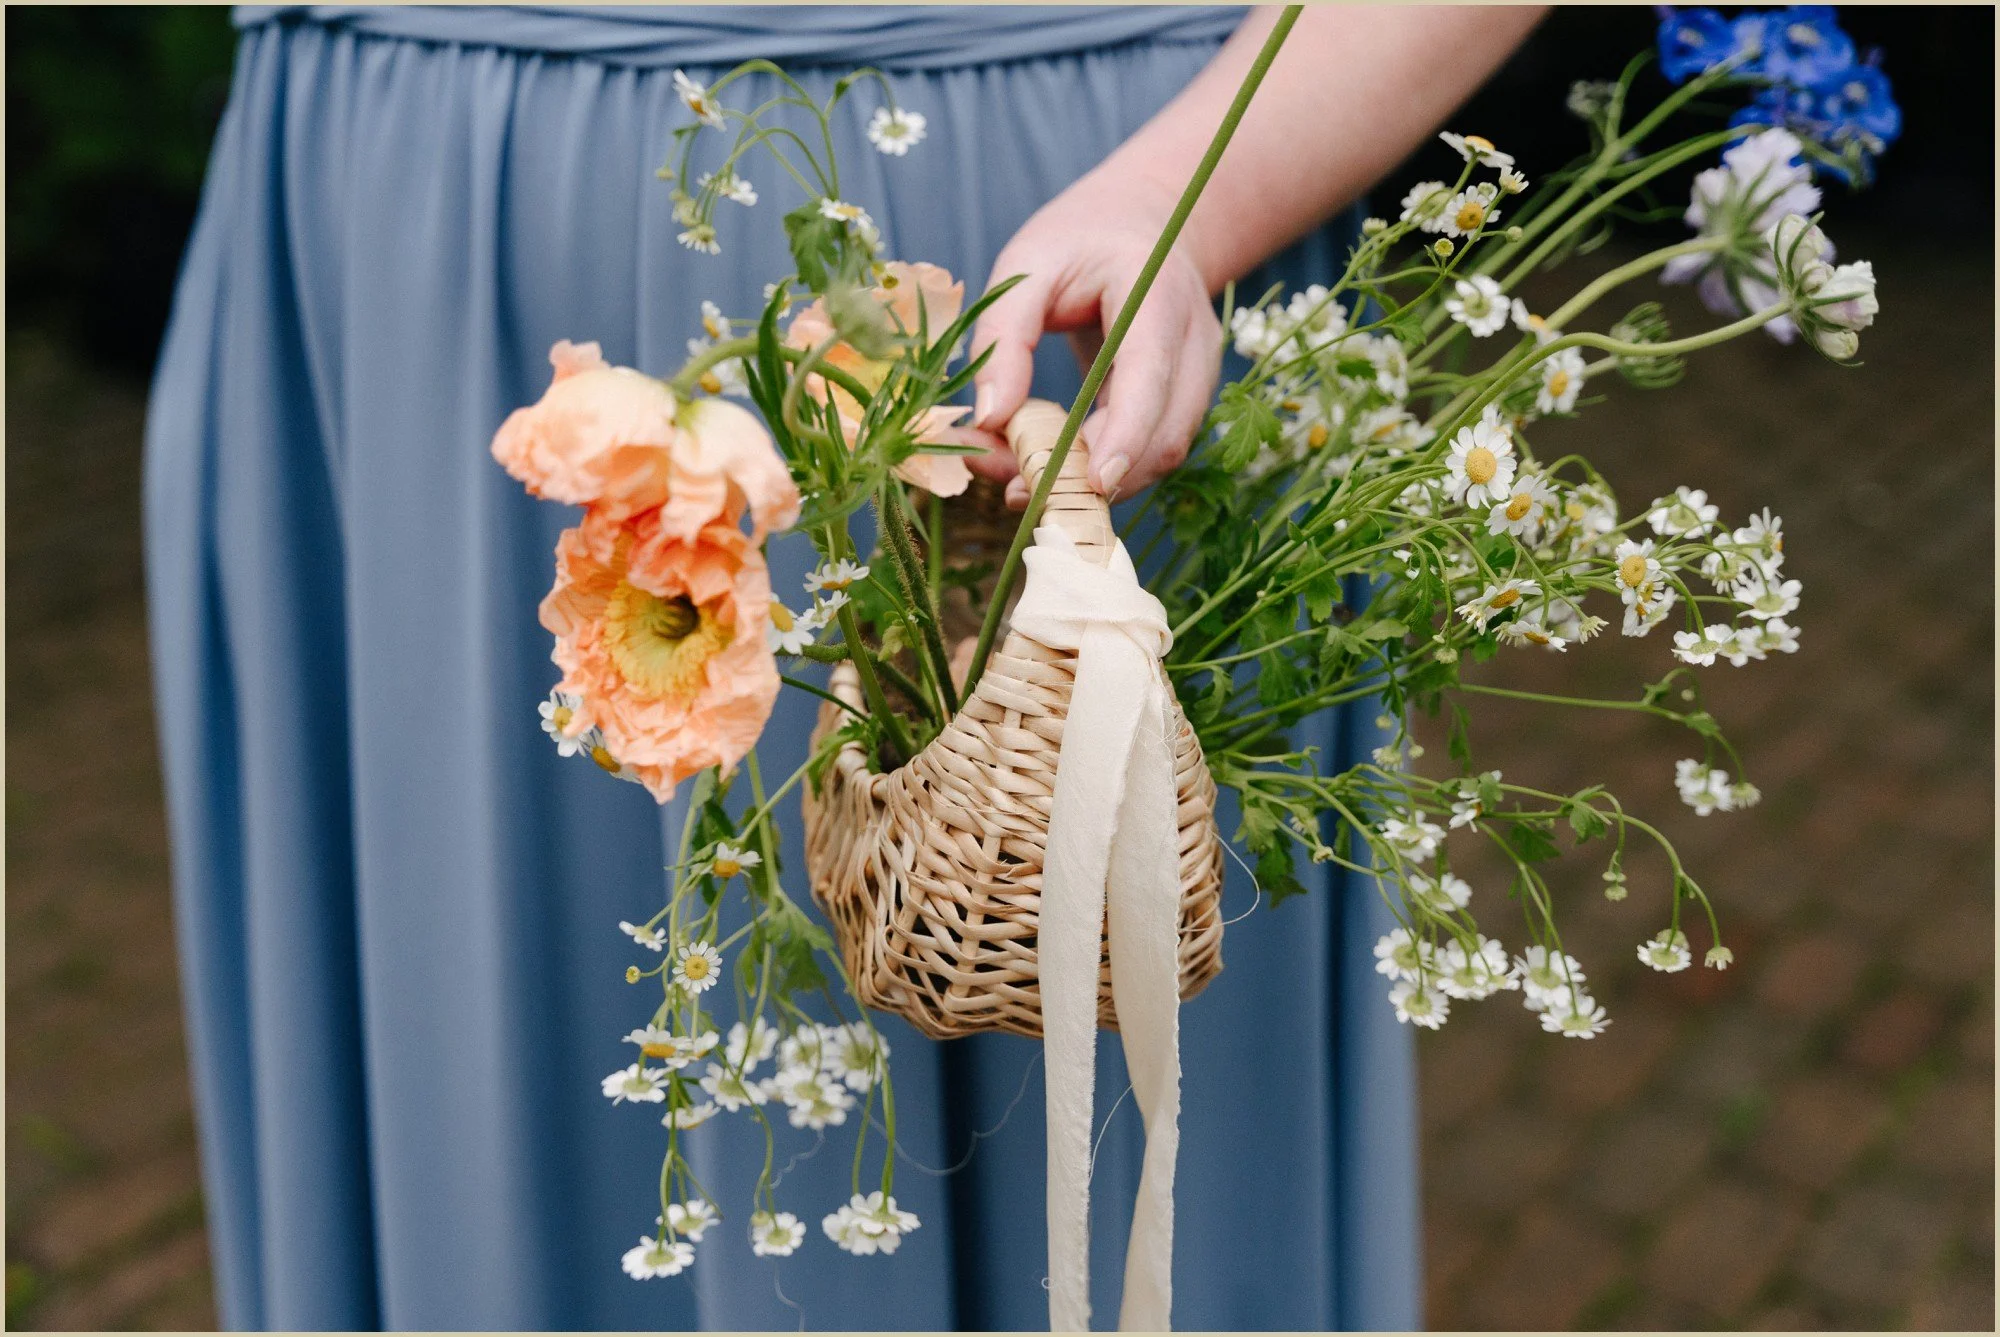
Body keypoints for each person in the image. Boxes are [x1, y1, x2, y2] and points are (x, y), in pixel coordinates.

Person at [144, 6, 1542, 1329]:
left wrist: (1190, 199)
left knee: (1122, 1077)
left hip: (1107, 257)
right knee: (489, 1022)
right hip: (429, 267)